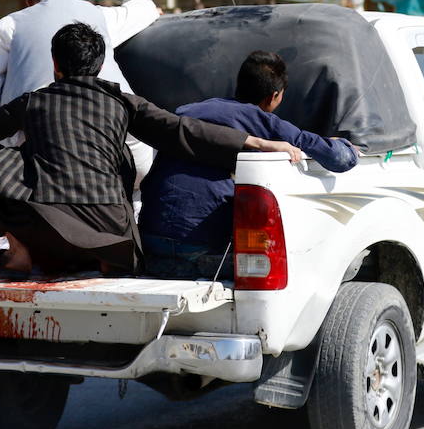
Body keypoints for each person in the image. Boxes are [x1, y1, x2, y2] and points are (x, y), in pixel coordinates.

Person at [0, 23, 301, 279]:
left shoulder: (34, 101)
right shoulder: (122, 102)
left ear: (55, 64)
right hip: (114, 240)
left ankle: (17, 253)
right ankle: (99, 263)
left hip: (48, 231)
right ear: (100, 64)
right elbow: (184, 131)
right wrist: (255, 141)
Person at [139, 51, 360, 279]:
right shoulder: (261, 121)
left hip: (151, 244)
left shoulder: (188, 111)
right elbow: (338, 160)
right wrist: (347, 147)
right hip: (202, 251)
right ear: (274, 96)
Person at [0, 0, 161, 201]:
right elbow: (144, 7)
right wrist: (154, 9)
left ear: (29, 0)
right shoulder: (98, 16)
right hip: (114, 121)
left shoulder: (8, 25)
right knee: (140, 180)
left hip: (35, 132)